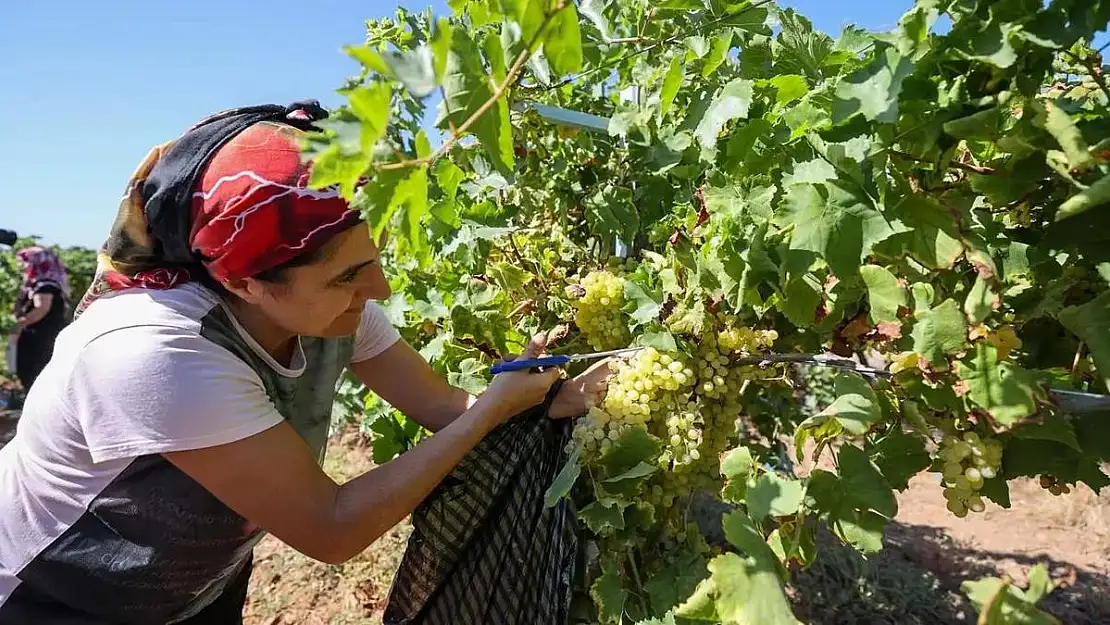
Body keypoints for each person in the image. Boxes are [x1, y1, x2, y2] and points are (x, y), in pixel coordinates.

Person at [0, 101, 607, 624]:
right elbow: (331, 526)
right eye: (348, 274)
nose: (382, 289)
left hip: (185, 587)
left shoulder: (335, 312)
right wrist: (488, 418)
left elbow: (442, 406)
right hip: (52, 597)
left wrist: (561, 395)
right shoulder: (157, 352)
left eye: (375, 258)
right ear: (243, 282)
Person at [11, 246, 70, 393]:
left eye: (25, 262)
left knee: (34, 375)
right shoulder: (47, 283)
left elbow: (41, 308)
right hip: (45, 338)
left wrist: (20, 323)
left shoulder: (45, 285)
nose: (23, 266)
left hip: (39, 340)